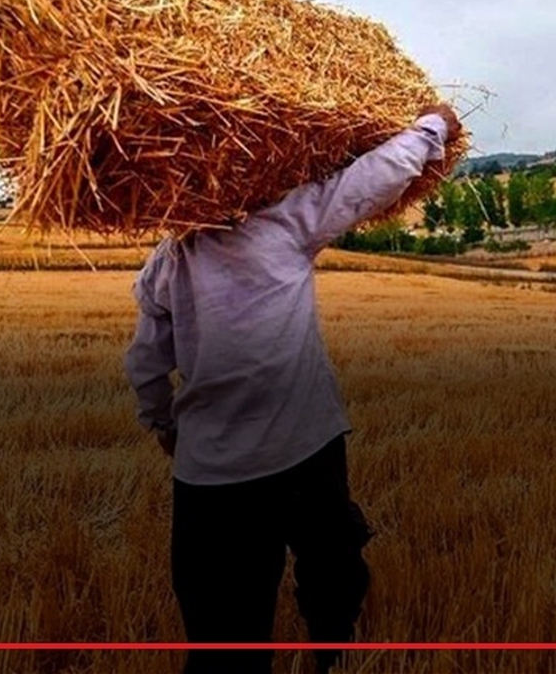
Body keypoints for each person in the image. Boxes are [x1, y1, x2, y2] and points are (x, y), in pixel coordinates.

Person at [124, 104, 462, 674]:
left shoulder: (168, 260)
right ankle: (331, 654)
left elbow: (146, 364)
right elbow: (371, 179)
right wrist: (434, 128)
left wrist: (161, 424)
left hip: (211, 474)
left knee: (221, 633)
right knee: (333, 578)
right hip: (305, 451)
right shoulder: (287, 223)